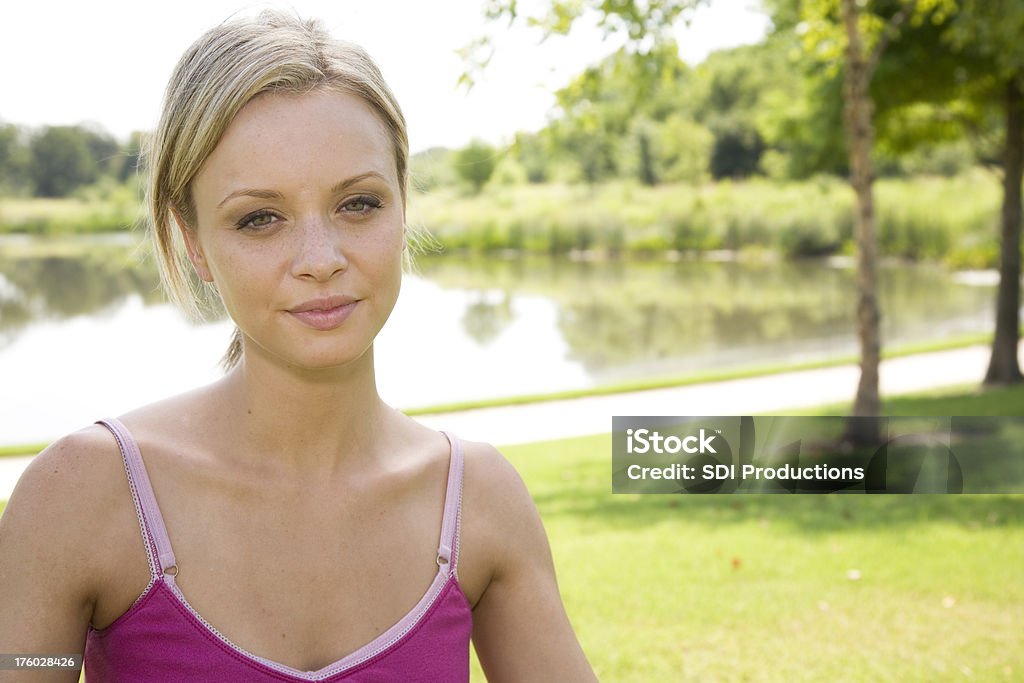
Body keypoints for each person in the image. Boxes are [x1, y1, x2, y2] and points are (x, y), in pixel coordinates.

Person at [0, 10, 597, 682]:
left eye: (359, 204)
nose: (320, 258)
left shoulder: (479, 502)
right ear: (193, 240)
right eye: (260, 218)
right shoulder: (81, 496)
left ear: (403, 203)